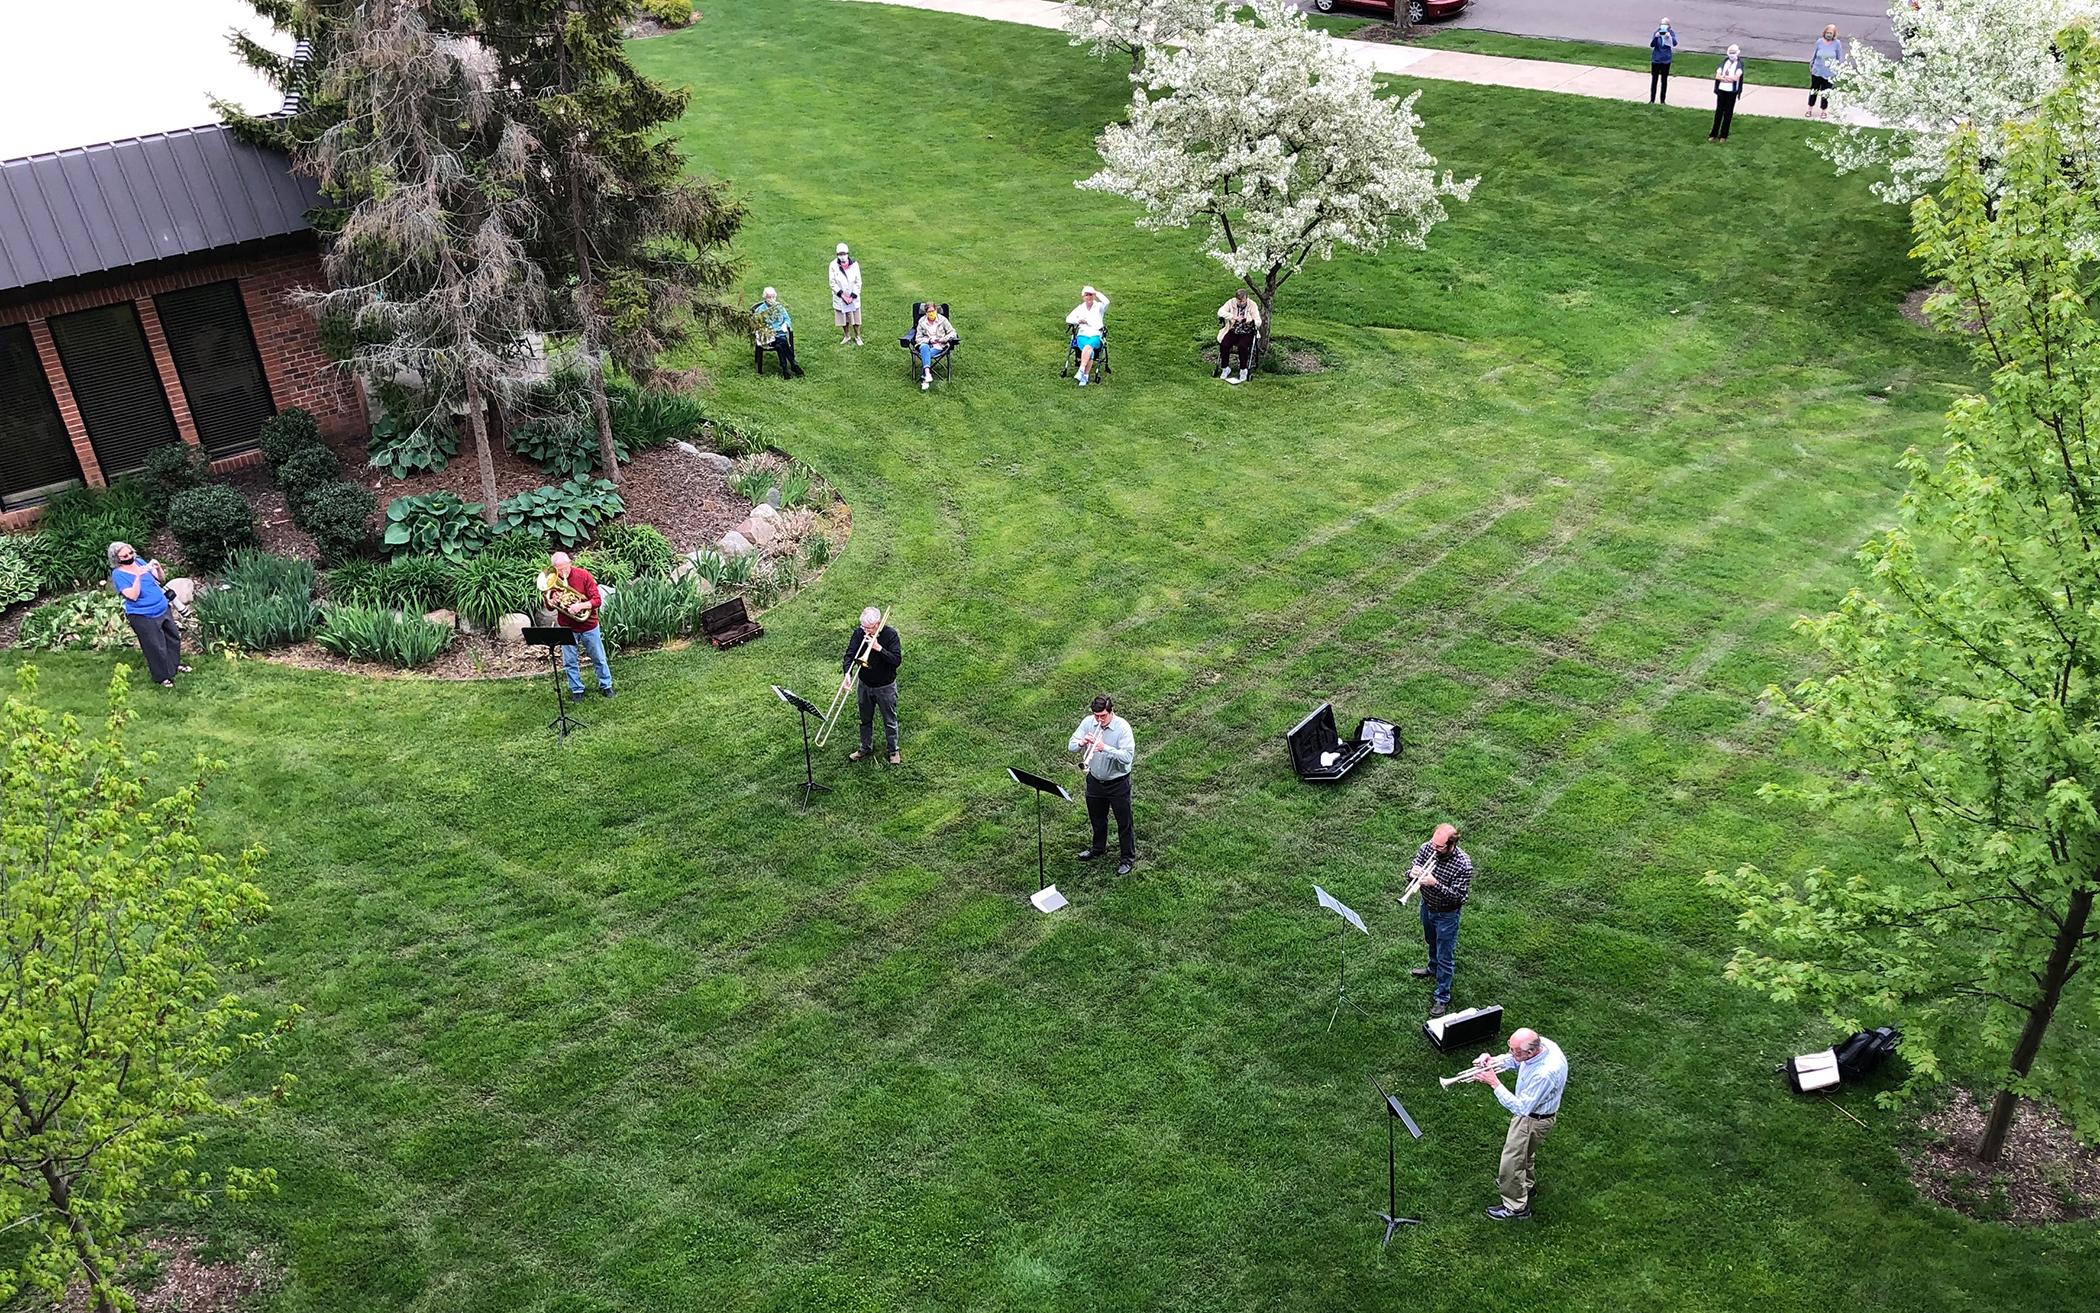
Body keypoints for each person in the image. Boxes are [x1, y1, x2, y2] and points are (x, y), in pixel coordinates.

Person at [1465, 1026, 1568, 1221]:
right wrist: (1493, 1061)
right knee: (1524, 1154)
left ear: (1531, 1051)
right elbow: (1515, 1060)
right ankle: (1526, 1185)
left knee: (1511, 1161)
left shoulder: (1544, 1073)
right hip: (1538, 1117)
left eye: (1515, 1051)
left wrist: (1494, 1082)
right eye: (1510, 1048)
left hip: (1532, 1119)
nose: (1511, 1053)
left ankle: (1515, 1206)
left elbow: (1521, 1108)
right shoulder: (1543, 1045)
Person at [1405, 822, 1473, 1018]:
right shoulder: (1427, 848)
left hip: (1447, 914)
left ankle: (1442, 996)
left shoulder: (1463, 864)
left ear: (1452, 845)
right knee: (1431, 940)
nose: (1433, 849)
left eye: (1439, 847)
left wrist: (1435, 884)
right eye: (1434, 844)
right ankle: (1432, 968)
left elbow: (1459, 897)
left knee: (1446, 953)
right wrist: (1411, 874)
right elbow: (1409, 872)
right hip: (1427, 906)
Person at [1068, 694, 1136, 875]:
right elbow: (1071, 745)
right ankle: (1098, 848)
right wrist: (1082, 742)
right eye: (1096, 716)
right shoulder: (1089, 722)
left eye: (1103, 716)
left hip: (1118, 783)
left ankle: (1127, 858)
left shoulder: (1122, 728)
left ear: (1111, 711)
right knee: (1097, 818)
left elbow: (1127, 757)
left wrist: (1104, 747)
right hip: (1095, 780)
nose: (1099, 720)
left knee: (1124, 821)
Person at [106, 541, 189, 688]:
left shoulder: (139, 561)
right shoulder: (118, 574)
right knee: (155, 647)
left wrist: (158, 568)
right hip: (142, 615)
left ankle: (174, 666)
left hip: (162, 608)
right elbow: (132, 596)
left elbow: (160, 580)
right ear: (117, 559)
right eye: (125, 556)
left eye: (130, 553)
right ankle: (162, 677)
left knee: (172, 638)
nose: (130, 557)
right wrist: (137, 576)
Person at [541, 551, 613, 699]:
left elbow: (597, 600)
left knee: (599, 658)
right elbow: (549, 608)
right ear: (554, 569)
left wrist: (580, 606)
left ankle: (606, 685)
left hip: (589, 625)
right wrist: (551, 601)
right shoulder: (552, 581)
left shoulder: (583, 575)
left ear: (570, 564)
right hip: (567, 627)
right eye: (559, 570)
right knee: (569, 661)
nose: (563, 572)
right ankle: (577, 690)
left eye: (565, 568)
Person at [841, 606, 902, 764]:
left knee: (889, 720)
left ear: (878, 624)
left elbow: (896, 660)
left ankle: (893, 750)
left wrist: (879, 648)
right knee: (864, 719)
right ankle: (865, 747)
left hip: (885, 686)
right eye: (863, 627)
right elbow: (849, 654)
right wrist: (847, 673)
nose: (865, 631)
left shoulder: (890, 635)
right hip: (865, 685)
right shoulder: (859, 633)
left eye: (868, 628)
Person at [1065, 285, 1110, 386]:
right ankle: (1084, 376)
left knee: (1088, 347)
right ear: (1083, 297)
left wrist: (1096, 292)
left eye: (1090, 295)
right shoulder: (1080, 308)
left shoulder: (1099, 307)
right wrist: (1078, 321)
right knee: (1090, 352)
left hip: (1096, 334)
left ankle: (1081, 370)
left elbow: (1107, 302)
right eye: (1086, 295)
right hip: (1083, 335)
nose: (1089, 297)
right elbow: (1068, 319)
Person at [753, 287, 804, 377]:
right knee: (783, 341)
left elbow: (787, 318)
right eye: (769, 297)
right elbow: (757, 325)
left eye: (773, 297)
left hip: (780, 333)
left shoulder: (779, 307)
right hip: (769, 337)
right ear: (765, 298)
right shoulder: (760, 310)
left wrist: (785, 324)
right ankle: (793, 364)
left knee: (780, 345)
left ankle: (785, 370)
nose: (771, 299)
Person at [1216, 288, 1261, 384]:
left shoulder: (1252, 305)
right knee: (1224, 344)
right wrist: (1233, 317)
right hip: (1234, 329)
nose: (1241, 303)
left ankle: (1243, 369)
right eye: (1239, 300)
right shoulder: (1231, 302)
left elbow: (1258, 321)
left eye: (1243, 301)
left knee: (1242, 346)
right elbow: (1220, 312)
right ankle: (1225, 368)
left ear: (1246, 299)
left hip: (1247, 331)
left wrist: (1250, 321)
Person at [911, 302, 956, 391]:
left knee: (925, 355)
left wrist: (942, 339)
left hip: (939, 345)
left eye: (933, 311)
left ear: (936, 310)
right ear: (926, 312)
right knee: (924, 347)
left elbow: (953, 332)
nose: (932, 313)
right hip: (926, 344)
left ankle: (925, 378)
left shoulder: (942, 320)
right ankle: (927, 374)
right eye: (929, 311)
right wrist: (929, 340)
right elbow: (918, 338)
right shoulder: (922, 322)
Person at [829, 243, 863, 345]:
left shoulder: (854, 265)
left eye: (844, 253)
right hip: (840, 297)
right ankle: (846, 335)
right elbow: (832, 282)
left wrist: (852, 296)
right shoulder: (833, 265)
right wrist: (842, 295)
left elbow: (858, 281)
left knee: (856, 318)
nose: (842, 256)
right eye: (840, 254)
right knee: (843, 319)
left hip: (853, 298)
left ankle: (857, 336)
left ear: (847, 253)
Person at [1808, 25, 1844, 118]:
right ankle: (1809, 109)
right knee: (1814, 90)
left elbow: (1839, 58)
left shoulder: (1837, 43)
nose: (1829, 35)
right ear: (1824, 33)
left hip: (1829, 73)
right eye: (1827, 33)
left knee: (1826, 92)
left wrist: (1838, 69)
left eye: (1831, 33)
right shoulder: (1819, 42)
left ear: (1834, 34)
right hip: (1817, 70)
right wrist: (1811, 65)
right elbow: (1815, 54)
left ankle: (1824, 110)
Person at [1710, 45, 1744, 141]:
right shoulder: (1724, 62)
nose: (1732, 55)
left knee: (1728, 113)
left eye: (1734, 53)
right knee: (1719, 112)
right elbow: (1717, 75)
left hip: (1731, 92)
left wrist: (1725, 78)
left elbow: (1736, 77)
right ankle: (1713, 133)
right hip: (1722, 90)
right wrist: (1726, 78)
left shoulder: (1739, 64)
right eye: (1730, 53)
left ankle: (1723, 135)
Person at [1649, 18, 1678, 104]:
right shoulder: (1657, 32)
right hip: (1656, 59)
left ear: (1669, 26)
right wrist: (1656, 37)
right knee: (1654, 80)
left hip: (1666, 60)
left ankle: (1662, 100)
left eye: (1665, 24)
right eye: (1662, 24)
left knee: (1664, 80)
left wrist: (1669, 37)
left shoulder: (1671, 33)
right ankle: (1652, 100)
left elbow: (1675, 43)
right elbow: (1652, 45)